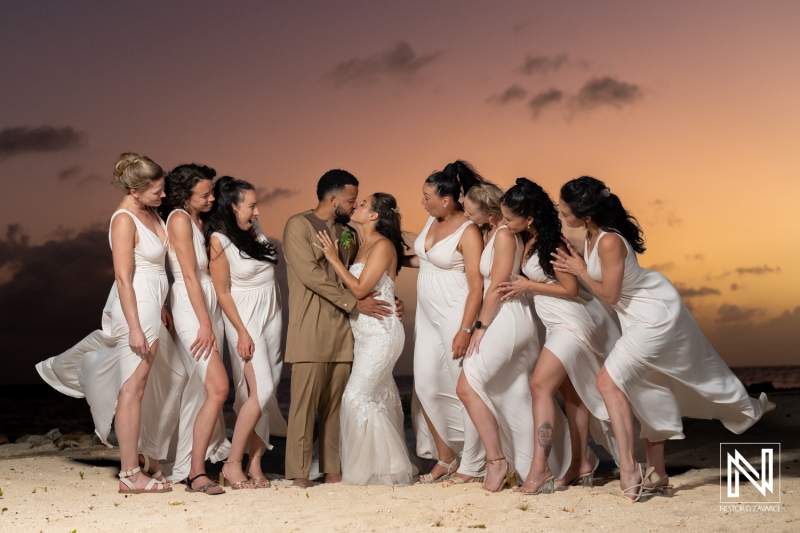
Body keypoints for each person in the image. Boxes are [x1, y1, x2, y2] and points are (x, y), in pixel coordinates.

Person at [552, 176, 774, 501]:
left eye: (563, 208)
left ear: (585, 214)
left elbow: (610, 296)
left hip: (654, 315)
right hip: (636, 317)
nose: (560, 212)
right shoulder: (590, 234)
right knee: (646, 389)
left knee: (608, 383)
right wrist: (579, 264)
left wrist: (581, 270)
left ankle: (629, 469)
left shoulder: (610, 241)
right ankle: (657, 474)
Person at [37, 152, 183, 493]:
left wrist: (163, 303)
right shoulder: (123, 220)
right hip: (135, 305)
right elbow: (122, 277)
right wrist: (133, 326)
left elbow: (157, 266)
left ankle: (147, 458)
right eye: (157, 191)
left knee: (164, 380)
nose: (163, 196)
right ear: (135, 189)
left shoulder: (149, 213)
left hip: (152, 303)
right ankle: (130, 474)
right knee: (132, 388)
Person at [495, 178, 620, 495]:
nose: (506, 224)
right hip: (554, 326)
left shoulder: (554, 244)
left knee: (539, 386)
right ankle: (581, 464)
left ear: (530, 218)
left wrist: (527, 286)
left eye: (510, 218)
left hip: (571, 324)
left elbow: (571, 289)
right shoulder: (530, 241)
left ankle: (541, 468)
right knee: (572, 395)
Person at [283, 170, 395, 489]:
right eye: (350, 200)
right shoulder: (298, 225)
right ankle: (300, 476)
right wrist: (354, 302)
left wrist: (390, 297)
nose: (354, 204)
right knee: (304, 408)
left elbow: (365, 274)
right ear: (333, 200)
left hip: (346, 331)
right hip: (310, 327)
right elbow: (309, 275)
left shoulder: (348, 232)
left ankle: (334, 471)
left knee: (335, 407)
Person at [314, 193, 415, 485]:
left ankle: (391, 469)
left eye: (363, 204)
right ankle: (379, 468)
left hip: (381, 332)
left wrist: (333, 259)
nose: (356, 205)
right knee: (378, 396)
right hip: (365, 333)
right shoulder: (360, 243)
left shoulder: (382, 244)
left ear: (374, 216)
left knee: (356, 397)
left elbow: (359, 290)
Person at [455, 181, 543, 492]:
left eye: (471, 211)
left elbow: (498, 286)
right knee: (513, 395)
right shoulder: (496, 233)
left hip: (506, 317)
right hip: (504, 316)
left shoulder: (504, 235)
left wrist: (479, 327)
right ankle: (531, 464)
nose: (466, 215)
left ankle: (496, 462)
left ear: (490, 213)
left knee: (466, 387)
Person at [405, 160, 486, 484]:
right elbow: (423, 259)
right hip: (426, 316)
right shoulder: (431, 220)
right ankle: (447, 457)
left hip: (455, 313)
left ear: (447, 199)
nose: (422, 201)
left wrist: (466, 330)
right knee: (425, 385)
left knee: (464, 387)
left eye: (427, 196)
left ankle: (474, 462)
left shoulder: (468, 230)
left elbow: (477, 284)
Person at [206, 177, 285, 490]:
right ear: (232, 206)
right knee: (259, 389)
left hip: (272, 315)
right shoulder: (218, 240)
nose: (257, 210)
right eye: (251, 205)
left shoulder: (253, 230)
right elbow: (223, 292)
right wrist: (241, 332)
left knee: (261, 396)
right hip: (245, 318)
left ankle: (255, 461)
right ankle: (232, 462)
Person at [162, 164, 229, 494]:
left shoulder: (202, 220)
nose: (211, 198)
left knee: (201, 391)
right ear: (183, 196)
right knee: (218, 388)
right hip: (192, 308)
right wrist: (204, 322)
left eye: (212, 191)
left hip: (209, 305)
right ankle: (197, 473)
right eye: (204, 194)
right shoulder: (178, 219)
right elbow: (188, 275)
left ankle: (191, 463)